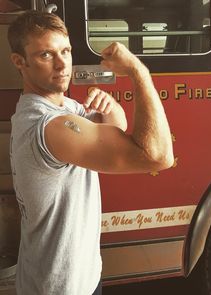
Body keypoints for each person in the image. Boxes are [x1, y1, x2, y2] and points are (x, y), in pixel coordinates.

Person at [8, 10, 174, 295]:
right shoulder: (51, 126)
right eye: (45, 55)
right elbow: (157, 156)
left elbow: (115, 129)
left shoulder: (63, 107)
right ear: (19, 62)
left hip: (78, 274)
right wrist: (139, 72)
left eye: (66, 51)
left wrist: (110, 105)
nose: (62, 65)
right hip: (62, 287)